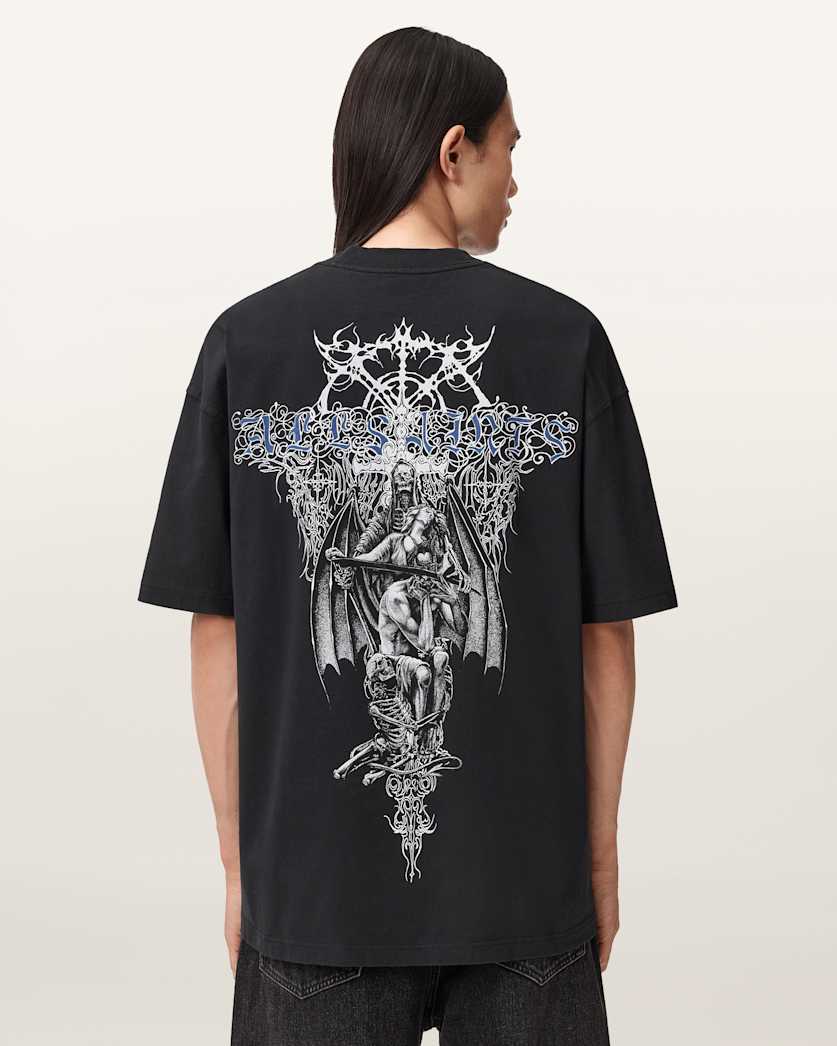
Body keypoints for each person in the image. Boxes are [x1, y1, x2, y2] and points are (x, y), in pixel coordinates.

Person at [138, 26, 678, 1046]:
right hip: (526, 891)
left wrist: (240, 866)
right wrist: (598, 856)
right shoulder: (564, 340)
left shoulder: (246, 342)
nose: (516, 180)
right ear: (452, 150)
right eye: (510, 147)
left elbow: (221, 636)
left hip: (314, 893)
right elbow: (604, 635)